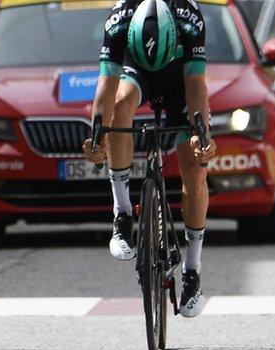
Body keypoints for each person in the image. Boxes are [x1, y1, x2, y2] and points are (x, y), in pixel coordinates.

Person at [82, 0, 216, 318]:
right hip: (135, 72)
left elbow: (196, 86)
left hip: (179, 82)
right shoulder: (118, 21)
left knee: (195, 171)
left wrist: (202, 135)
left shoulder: (190, 18)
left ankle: (192, 272)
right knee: (120, 103)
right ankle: (122, 213)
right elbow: (105, 88)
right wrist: (96, 137)